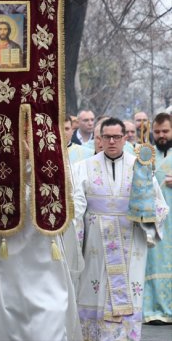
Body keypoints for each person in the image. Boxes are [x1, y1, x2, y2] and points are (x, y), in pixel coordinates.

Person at [72, 118, 168, 340]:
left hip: (130, 241)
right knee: (94, 293)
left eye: (117, 136)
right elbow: (76, 208)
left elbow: (159, 206)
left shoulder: (141, 168)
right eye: (107, 137)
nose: (112, 141)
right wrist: (75, 240)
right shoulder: (82, 168)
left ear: (125, 138)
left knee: (127, 292)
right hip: (95, 245)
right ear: (100, 139)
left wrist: (146, 219)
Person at [0, 137, 82, 341]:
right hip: (5, 266)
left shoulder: (54, 164)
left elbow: (64, 210)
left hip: (45, 266)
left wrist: (32, 168)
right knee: (5, 329)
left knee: (50, 326)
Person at [142, 112, 172, 324]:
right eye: (157, 132)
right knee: (155, 263)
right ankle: (155, 310)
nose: (161, 135)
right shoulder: (146, 154)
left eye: (166, 131)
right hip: (158, 222)